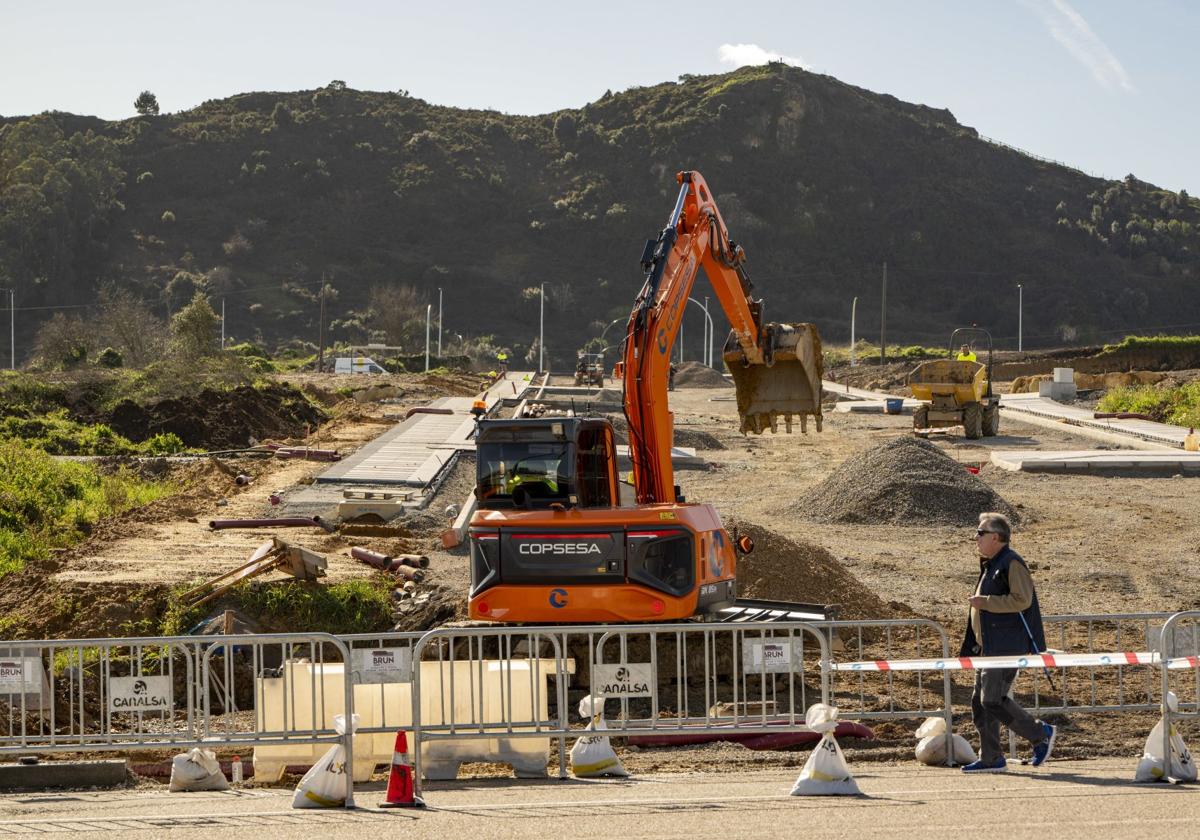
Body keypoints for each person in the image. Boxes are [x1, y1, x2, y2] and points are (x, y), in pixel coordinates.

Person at [959, 512, 1057, 773]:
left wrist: (986, 603)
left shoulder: (1011, 563)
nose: (976, 538)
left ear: (995, 537)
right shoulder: (992, 564)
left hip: (1004, 647)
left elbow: (1022, 600)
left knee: (992, 699)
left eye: (980, 533)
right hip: (989, 648)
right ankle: (991, 757)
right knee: (980, 704)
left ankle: (1039, 734)